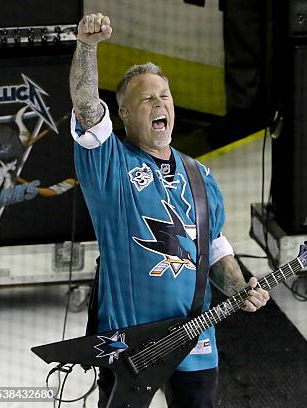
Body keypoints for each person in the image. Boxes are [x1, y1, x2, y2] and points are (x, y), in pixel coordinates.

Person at [69, 13, 269, 408]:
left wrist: (238, 287)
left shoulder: (200, 176)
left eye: (165, 96)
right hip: (128, 340)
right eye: (147, 98)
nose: (160, 102)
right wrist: (87, 47)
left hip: (195, 336)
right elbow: (86, 103)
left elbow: (212, 245)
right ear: (124, 113)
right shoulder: (109, 165)